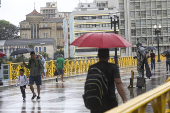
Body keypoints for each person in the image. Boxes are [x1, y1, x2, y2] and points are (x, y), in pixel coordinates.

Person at [89, 49, 127, 113]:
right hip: (110, 101)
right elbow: (118, 82)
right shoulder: (113, 67)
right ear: (108, 56)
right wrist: (124, 99)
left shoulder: (92, 68)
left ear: (98, 56)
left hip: (95, 101)